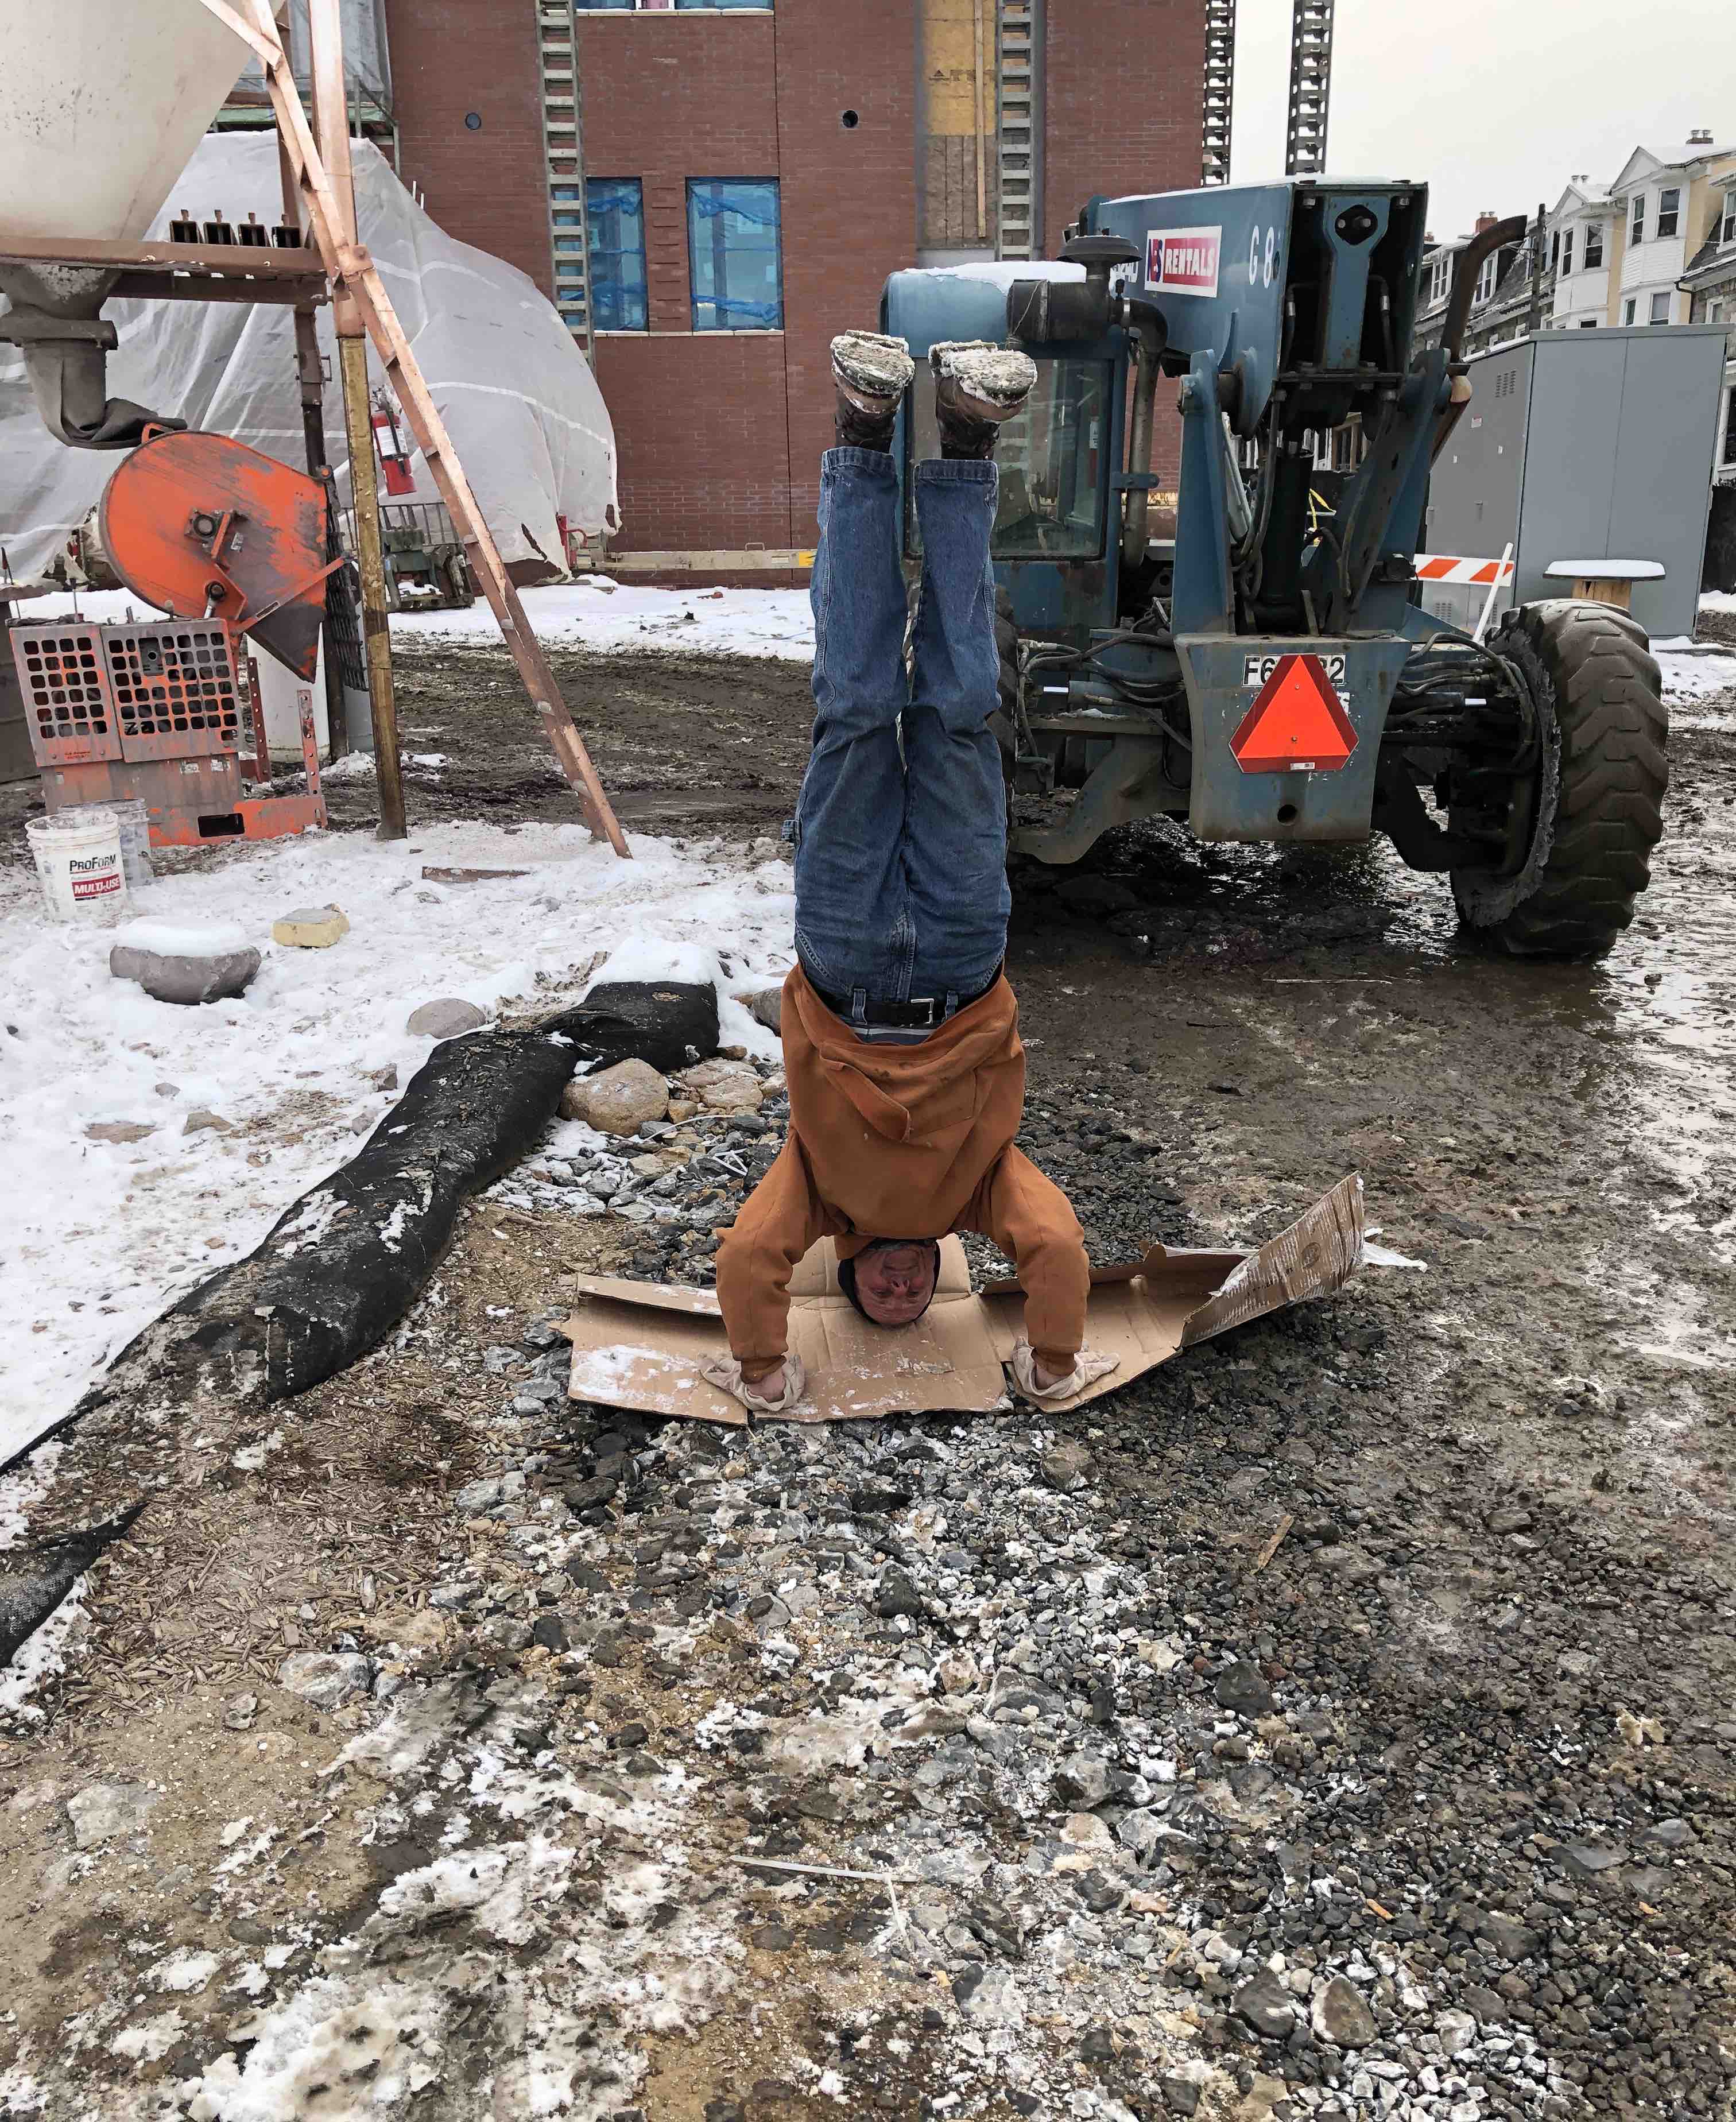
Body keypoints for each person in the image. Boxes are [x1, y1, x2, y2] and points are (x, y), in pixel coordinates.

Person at [707, 331, 1118, 1417]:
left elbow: (748, 1257)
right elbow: (1056, 1246)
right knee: (958, 715)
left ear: (844, 1272)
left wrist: (763, 1371)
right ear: (941, 1273)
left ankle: (863, 433)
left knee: (854, 711)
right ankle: (969, 442)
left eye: (877, 1298)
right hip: (960, 952)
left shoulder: (820, 1199)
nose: (898, 1292)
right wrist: (1052, 1364)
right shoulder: (977, 1195)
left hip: (843, 951)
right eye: (915, 1297)